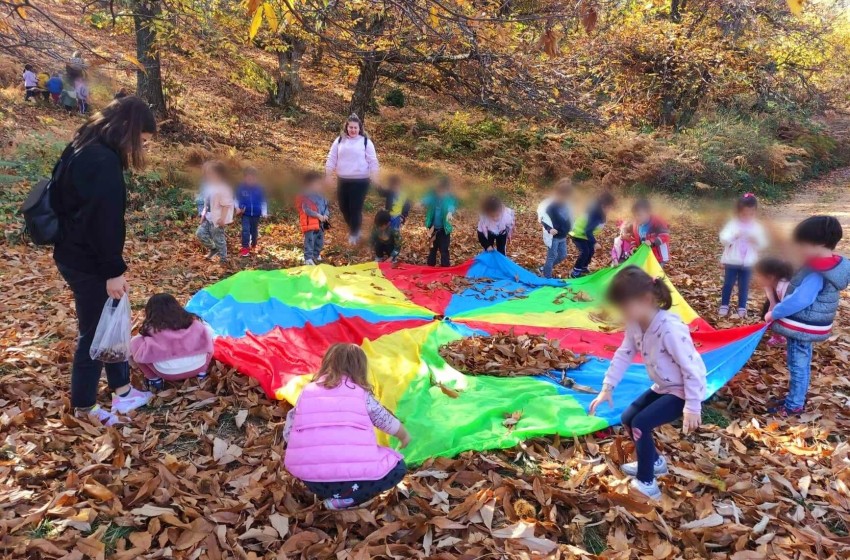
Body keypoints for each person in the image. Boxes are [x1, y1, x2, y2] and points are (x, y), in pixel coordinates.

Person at [51, 96, 157, 426]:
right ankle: (84, 405)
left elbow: (61, 198)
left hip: (74, 252)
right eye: (141, 141)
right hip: (89, 261)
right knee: (95, 331)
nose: (140, 148)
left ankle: (123, 391)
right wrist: (112, 271)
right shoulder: (102, 161)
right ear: (128, 129)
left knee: (113, 321)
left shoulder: (83, 145)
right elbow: (104, 221)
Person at [589, 266, 707, 500]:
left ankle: (647, 483)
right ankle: (654, 462)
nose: (621, 313)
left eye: (624, 307)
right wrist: (607, 387)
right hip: (664, 387)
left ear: (645, 299)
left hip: (682, 390)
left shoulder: (670, 329)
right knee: (628, 418)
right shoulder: (635, 324)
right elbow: (624, 354)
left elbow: (691, 367)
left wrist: (693, 405)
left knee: (641, 423)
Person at [283, 343, 410, 510]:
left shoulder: (307, 391)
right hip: (351, 479)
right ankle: (346, 499)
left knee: (326, 467)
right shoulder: (361, 394)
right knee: (398, 467)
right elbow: (384, 419)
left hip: (311, 478)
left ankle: (330, 494)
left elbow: (291, 424)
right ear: (360, 369)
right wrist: (404, 436)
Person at [766, 216, 849, 417]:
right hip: (810, 324)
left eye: (803, 244)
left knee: (797, 364)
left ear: (819, 244)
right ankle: (796, 397)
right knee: (802, 361)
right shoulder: (831, 265)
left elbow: (800, 299)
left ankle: (794, 405)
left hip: (802, 325)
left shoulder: (818, 271)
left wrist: (774, 312)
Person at [130, 293, 214, 391]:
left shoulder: (151, 328)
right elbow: (209, 335)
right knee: (207, 335)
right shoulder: (193, 323)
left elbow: (137, 344)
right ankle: (202, 373)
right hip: (199, 366)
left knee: (135, 343)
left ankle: (154, 379)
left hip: (166, 372)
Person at [325, 114, 379, 244]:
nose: (353, 130)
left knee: (355, 207)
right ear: (346, 127)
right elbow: (331, 158)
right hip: (343, 180)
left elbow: (373, 161)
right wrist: (328, 176)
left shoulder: (366, 142)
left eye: (355, 127)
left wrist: (376, 177)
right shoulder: (339, 141)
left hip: (361, 181)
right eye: (351, 127)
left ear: (360, 128)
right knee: (344, 207)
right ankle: (355, 228)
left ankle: (354, 234)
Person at [718, 193, 768, 318]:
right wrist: (733, 236)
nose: (747, 217)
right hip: (732, 261)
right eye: (744, 214)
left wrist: (755, 241)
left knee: (744, 285)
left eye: (750, 214)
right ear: (738, 212)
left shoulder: (757, 227)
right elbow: (723, 239)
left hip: (748, 262)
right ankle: (724, 305)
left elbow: (763, 243)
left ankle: (742, 307)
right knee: (728, 283)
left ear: (755, 213)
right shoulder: (733, 224)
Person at [569, 191, 616, 277]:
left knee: (591, 250)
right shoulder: (595, 215)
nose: (610, 210)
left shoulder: (600, 213)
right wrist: (595, 242)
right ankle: (575, 271)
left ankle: (583, 267)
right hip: (578, 234)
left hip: (585, 236)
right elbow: (588, 231)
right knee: (585, 251)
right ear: (603, 206)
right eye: (609, 207)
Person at [195, 161, 234, 263]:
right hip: (208, 218)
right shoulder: (209, 187)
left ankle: (223, 259)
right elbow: (206, 203)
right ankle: (213, 249)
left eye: (211, 174)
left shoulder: (223, 188)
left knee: (219, 239)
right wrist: (203, 215)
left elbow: (226, 205)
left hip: (217, 220)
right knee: (200, 233)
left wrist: (222, 218)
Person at [537, 178, 574, 278]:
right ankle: (547, 277)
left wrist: (571, 227)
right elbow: (543, 219)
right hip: (553, 237)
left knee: (563, 255)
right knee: (551, 257)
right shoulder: (551, 207)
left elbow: (569, 218)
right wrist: (550, 229)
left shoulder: (566, 205)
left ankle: (543, 268)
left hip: (563, 236)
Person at [753, 257, 793, 346]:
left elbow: (789, 308)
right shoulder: (770, 283)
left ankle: (792, 344)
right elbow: (772, 301)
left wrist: (775, 313)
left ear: (770, 277)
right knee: (770, 315)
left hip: (795, 310)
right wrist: (772, 305)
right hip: (781, 302)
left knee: (785, 320)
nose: (756, 278)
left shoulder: (786, 287)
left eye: (759, 276)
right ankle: (777, 336)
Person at [297, 171, 330, 265]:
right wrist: (318, 215)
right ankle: (308, 258)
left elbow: (326, 207)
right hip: (310, 222)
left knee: (320, 240)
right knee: (310, 240)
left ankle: (316, 254)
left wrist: (326, 215)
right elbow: (306, 209)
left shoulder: (322, 195)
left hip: (321, 223)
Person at [423, 176, 457, 267]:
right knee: (432, 249)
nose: (440, 192)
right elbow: (426, 200)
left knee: (444, 249)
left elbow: (451, 206)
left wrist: (450, 212)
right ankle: (430, 266)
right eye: (438, 190)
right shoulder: (433, 197)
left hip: (444, 230)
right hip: (433, 229)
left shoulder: (448, 199)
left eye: (442, 190)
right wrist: (421, 202)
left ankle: (445, 267)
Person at [235, 166, 268, 257]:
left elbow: (263, 201)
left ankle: (254, 244)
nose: (250, 180)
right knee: (245, 230)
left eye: (252, 178)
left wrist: (264, 212)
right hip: (245, 213)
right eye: (248, 178)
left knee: (254, 231)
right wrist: (237, 208)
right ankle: (245, 247)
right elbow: (236, 199)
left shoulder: (260, 188)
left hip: (256, 214)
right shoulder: (241, 188)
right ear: (245, 177)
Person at [631, 199, 670, 265]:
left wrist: (652, 242)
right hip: (645, 256)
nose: (637, 217)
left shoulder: (657, 221)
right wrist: (633, 247)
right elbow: (633, 238)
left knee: (656, 274)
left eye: (639, 215)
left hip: (659, 257)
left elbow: (665, 235)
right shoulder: (636, 225)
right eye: (635, 215)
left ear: (648, 212)